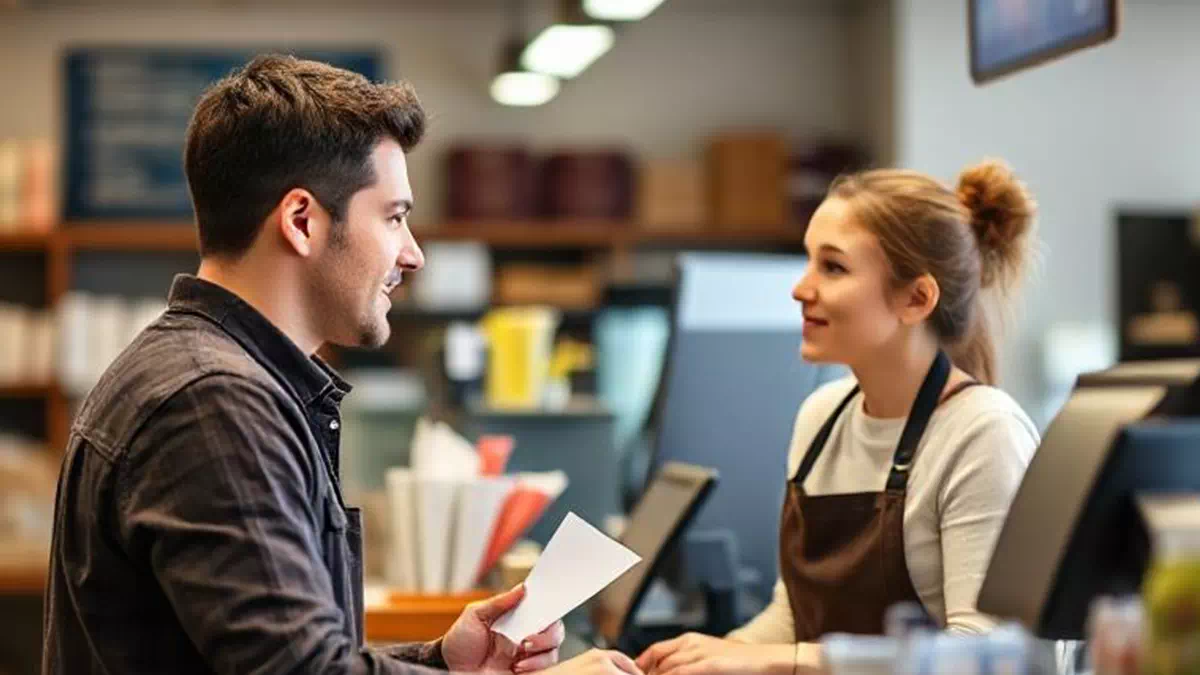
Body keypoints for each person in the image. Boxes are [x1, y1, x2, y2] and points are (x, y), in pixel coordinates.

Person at [42, 54, 639, 675]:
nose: (413, 255)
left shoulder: (209, 377)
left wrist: (441, 662)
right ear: (302, 221)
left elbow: (286, 654)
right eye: (395, 217)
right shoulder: (213, 402)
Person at [636, 160, 1042, 675]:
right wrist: (708, 657)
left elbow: (984, 656)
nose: (800, 288)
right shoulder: (822, 415)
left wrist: (776, 663)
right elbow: (792, 617)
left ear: (916, 298)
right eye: (808, 261)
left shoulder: (984, 433)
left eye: (832, 267)